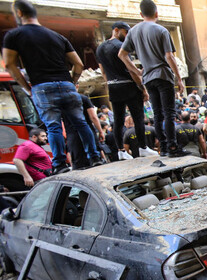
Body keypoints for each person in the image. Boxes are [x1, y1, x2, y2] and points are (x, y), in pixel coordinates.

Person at [3, 0, 101, 174]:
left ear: (19, 13)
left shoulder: (14, 36)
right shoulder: (57, 36)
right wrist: (71, 82)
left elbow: (10, 65)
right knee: (80, 123)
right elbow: (78, 64)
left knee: (53, 127)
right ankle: (94, 157)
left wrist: (27, 88)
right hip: (66, 84)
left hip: (42, 86)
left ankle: (60, 164)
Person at [118, 0, 188, 157]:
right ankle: (172, 146)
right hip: (163, 74)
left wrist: (136, 70)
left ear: (141, 14)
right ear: (157, 13)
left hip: (148, 77)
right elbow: (169, 56)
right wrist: (178, 77)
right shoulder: (161, 30)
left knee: (157, 113)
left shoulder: (133, 32)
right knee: (169, 112)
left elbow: (122, 54)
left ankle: (163, 147)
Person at [96, 21, 158, 162]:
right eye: (126, 32)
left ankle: (121, 151)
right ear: (116, 30)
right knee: (138, 117)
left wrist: (111, 84)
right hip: (128, 86)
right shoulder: (120, 46)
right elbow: (131, 70)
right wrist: (142, 88)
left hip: (113, 86)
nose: (127, 35)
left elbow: (103, 72)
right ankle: (143, 147)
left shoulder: (100, 49)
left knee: (118, 121)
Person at [65, 92, 106, 170]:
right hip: (88, 132)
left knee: (79, 164)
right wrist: (100, 131)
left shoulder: (60, 100)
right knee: (96, 162)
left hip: (72, 135)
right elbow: (93, 117)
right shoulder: (83, 98)